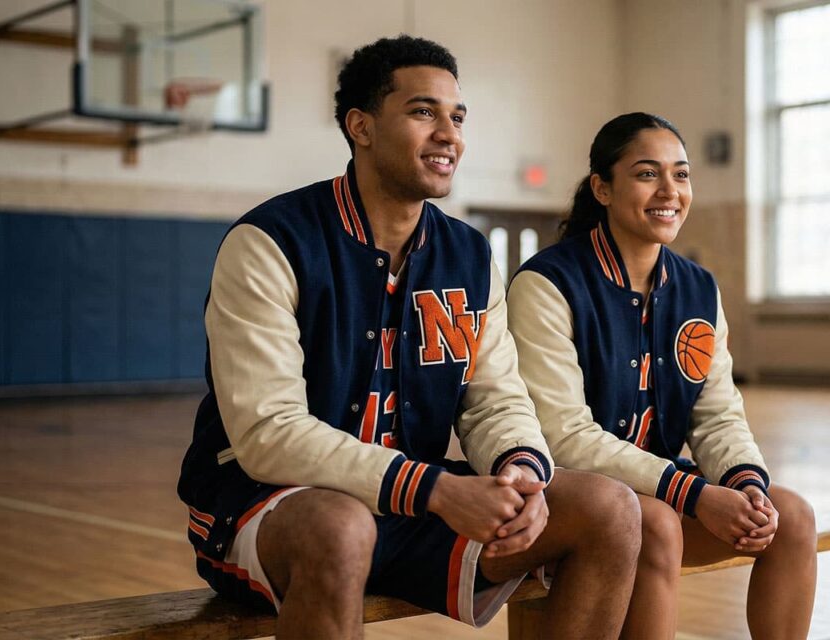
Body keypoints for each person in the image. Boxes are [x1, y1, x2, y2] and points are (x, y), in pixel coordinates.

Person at [177, 36, 642, 640]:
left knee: (610, 509)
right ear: (361, 127)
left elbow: (494, 399)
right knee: (341, 528)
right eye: (424, 112)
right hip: (271, 506)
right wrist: (436, 489)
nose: (449, 133)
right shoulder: (270, 242)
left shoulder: (470, 255)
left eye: (457, 116)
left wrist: (520, 468)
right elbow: (269, 433)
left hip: (414, 503)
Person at [506, 112, 817, 640]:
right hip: (567, 496)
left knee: (791, 517)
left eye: (682, 174)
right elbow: (563, 437)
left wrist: (746, 485)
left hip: (659, 491)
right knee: (657, 523)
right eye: (647, 174)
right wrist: (694, 494)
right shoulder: (547, 283)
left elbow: (717, 413)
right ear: (602, 188)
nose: (669, 190)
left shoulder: (698, 288)